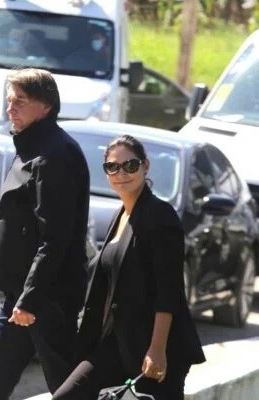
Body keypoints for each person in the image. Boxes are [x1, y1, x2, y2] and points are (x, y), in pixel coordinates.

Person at [52, 135, 205, 400]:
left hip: (155, 345)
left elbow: (168, 290)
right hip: (118, 341)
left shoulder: (160, 216)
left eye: (130, 165)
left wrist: (157, 349)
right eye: (112, 167)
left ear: (145, 166)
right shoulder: (121, 214)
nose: (121, 173)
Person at [0, 68, 90, 399]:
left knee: (67, 388)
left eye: (20, 101)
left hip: (46, 298)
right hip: (20, 295)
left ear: (46, 107)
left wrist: (30, 300)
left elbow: (55, 237)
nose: (10, 108)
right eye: (9, 100)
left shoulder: (55, 155)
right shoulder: (31, 145)